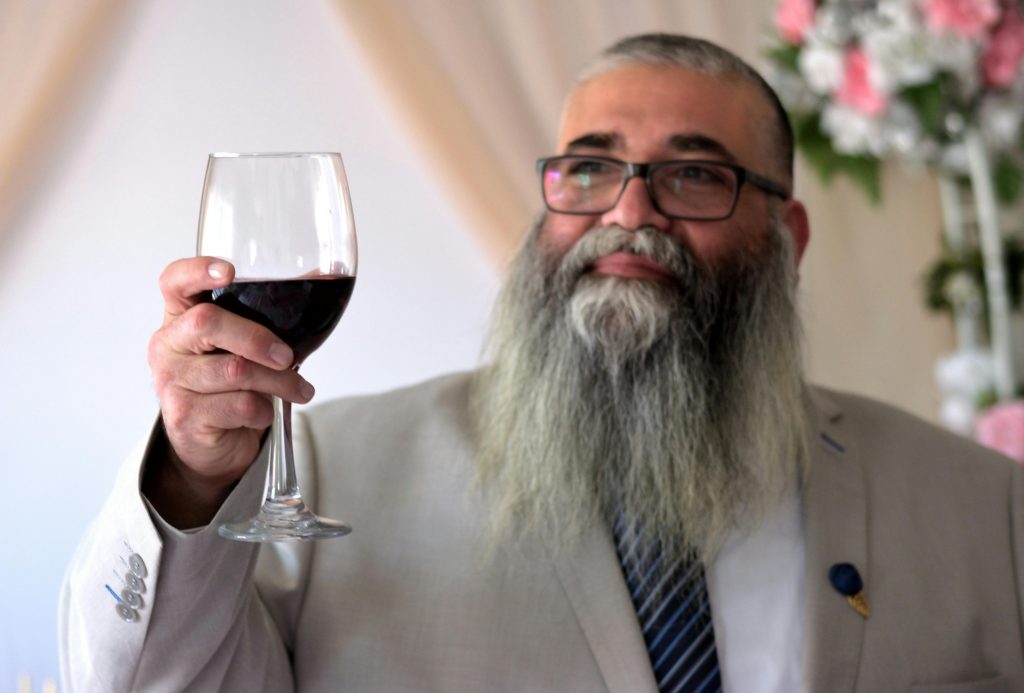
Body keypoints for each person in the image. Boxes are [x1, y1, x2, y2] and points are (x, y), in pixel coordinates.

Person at [60, 33, 1024, 692]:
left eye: (694, 174)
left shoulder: (988, 511)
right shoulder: (328, 469)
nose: (629, 213)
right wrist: (190, 478)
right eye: (591, 169)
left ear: (788, 235)